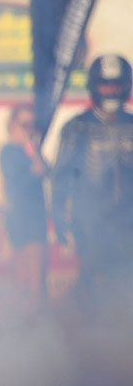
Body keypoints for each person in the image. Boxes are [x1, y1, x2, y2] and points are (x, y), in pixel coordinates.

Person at [51, 53, 133, 305]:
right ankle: (97, 326)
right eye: (105, 84)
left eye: (116, 84)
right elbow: (61, 176)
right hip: (91, 222)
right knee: (96, 284)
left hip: (128, 221)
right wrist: (60, 218)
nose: (111, 90)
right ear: (94, 86)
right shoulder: (77, 128)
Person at [0, 103, 49, 307]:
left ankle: (35, 308)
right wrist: (33, 156)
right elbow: (29, 175)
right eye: (25, 125)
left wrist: (33, 149)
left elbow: (44, 169)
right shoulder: (7, 151)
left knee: (36, 277)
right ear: (13, 125)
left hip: (35, 215)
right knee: (21, 268)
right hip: (18, 214)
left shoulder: (31, 151)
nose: (29, 129)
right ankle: (22, 310)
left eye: (32, 125)